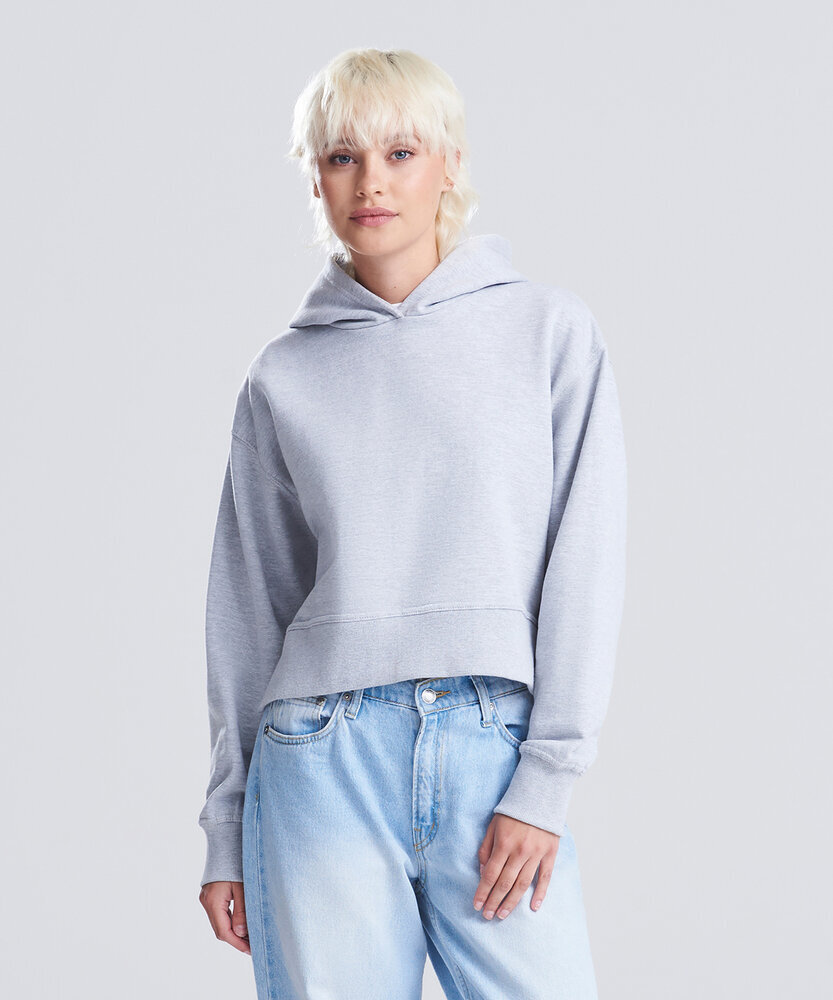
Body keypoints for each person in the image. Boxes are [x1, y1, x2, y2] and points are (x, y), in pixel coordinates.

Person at [197, 47, 627, 1000]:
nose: (372, 183)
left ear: (450, 164)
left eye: (400, 152)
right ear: (314, 177)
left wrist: (545, 779)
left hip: (491, 746)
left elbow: (585, 561)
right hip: (318, 759)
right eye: (341, 156)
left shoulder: (547, 334)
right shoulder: (282, 376)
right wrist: (225, 824)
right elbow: (248, 608)